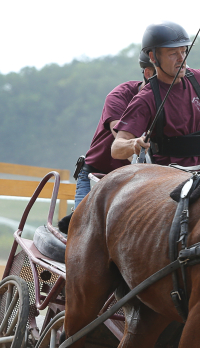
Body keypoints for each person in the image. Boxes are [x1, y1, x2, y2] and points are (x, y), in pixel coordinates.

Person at [58, 50, 156, 232]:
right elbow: (120, 135)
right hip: (97, 176)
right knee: (83, 233)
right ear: (148, 73)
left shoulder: (174, 104)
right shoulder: (119, 96)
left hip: (135, 182)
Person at [110, 21, 200, 167]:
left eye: (183, 51)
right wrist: (133, 144)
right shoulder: (145, 98)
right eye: (173, 53)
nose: (182, 59)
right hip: (170, 178)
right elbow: (116, 148)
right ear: (154, 58)